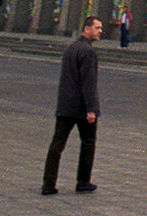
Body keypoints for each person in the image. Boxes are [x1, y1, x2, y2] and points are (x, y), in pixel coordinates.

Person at [42, 15, 102, 195]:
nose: (100, 31)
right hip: (82, 108)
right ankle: (83, 181)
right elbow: (88, 83)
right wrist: (91, 109)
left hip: (66, 106)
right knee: (88, 143)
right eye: (97, 28)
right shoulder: (88, 52)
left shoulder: (71, 49)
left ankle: (48, 184)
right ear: (86, 29)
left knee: (57, 144)